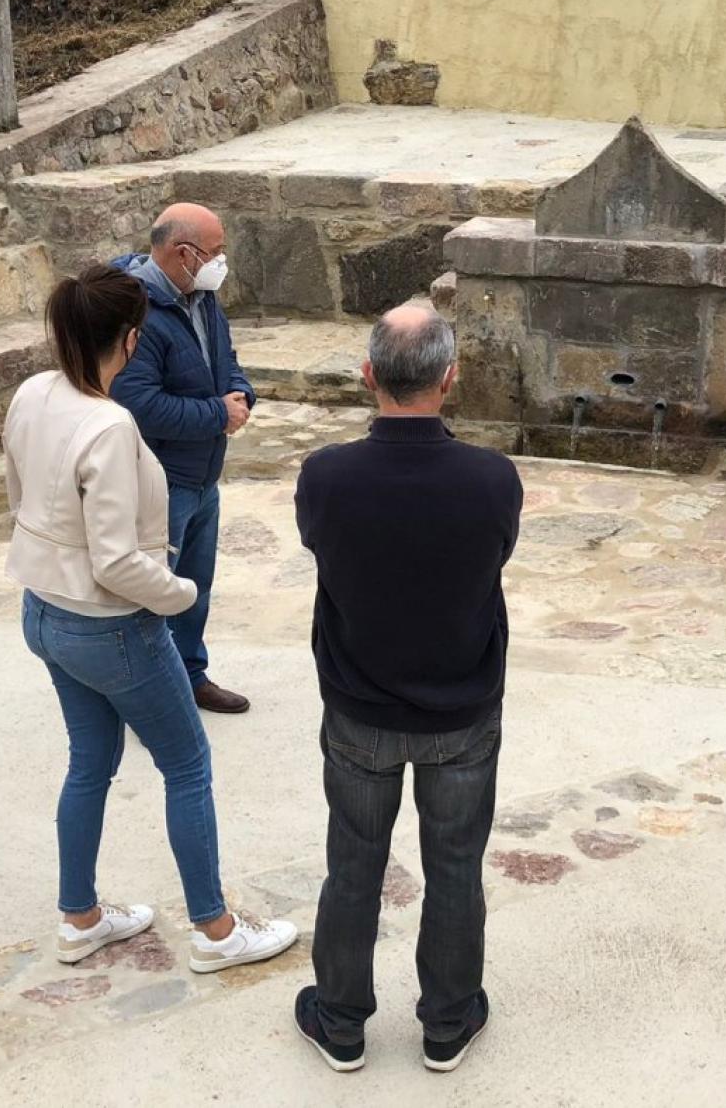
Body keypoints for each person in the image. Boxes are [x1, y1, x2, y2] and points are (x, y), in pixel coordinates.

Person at [6, 264, 298, 975]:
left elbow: (18, 493)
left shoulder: (32, 393)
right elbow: (115, 562)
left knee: (90, 762)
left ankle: (79, 917)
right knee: (188, 764)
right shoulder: (108, 425)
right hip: (111, 625)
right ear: (132, 340)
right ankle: (216, 930)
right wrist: (182, 595)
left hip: (43, 609)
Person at [290, 304, 524, 1074]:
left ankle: (342, 1020)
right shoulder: (492, 479)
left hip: (360, 705)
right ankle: (448, 1022)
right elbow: (497, 556)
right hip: (461, 705)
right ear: (449, 380)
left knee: (353, 865)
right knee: (455, 866)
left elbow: (321, 547)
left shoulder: (325, 476)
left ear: (368, 377)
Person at [110, 204, 255, 716]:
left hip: (202, 476)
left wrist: (240, 396)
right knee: (153, 595)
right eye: (214, 253)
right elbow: (139, 405)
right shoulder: (134, 314)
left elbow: (227, 361)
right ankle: (146, 692)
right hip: (161, 483)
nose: (220, 262)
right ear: (182, 253)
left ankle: (189, 676)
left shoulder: (202, 296)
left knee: (194, 587)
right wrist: (217, 415)